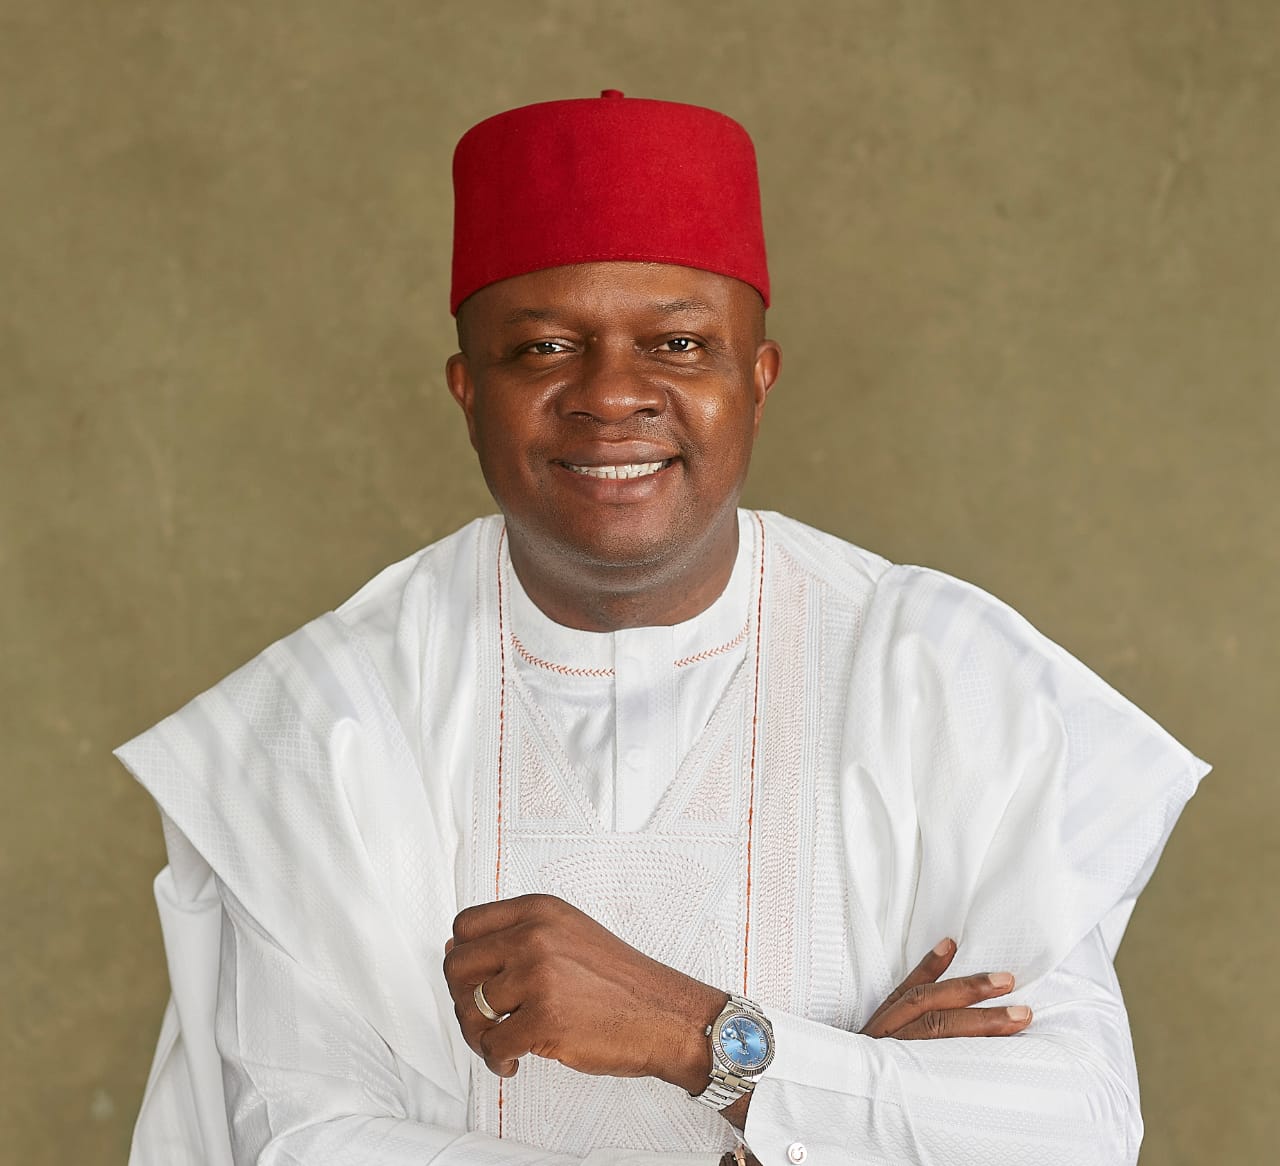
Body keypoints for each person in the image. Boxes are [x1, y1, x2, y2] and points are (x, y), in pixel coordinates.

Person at [116, 91, 1208, 1166]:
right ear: (466, 391)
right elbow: (303, 1144)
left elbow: (1069, 1128)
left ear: (757, 380)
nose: (610, 395)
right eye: (543, 349)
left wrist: (693, 1035)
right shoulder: (328, 721)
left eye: (678, 344)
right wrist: (843, 1112)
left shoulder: (939, 674)